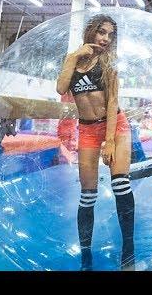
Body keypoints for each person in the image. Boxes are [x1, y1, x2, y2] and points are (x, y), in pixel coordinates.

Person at [56, 14, 135, 271]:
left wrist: (110, 141)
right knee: (87, 195)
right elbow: (60, 88)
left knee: (120, 184)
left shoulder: (109, 62)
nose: (105, 38)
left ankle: (128, 251)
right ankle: (86, 255)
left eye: (110, 35)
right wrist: (72, 56)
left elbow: (112, 104)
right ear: (91, 31)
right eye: (102, 32)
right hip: (88, 130)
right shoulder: (74, 61)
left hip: (115, 125)